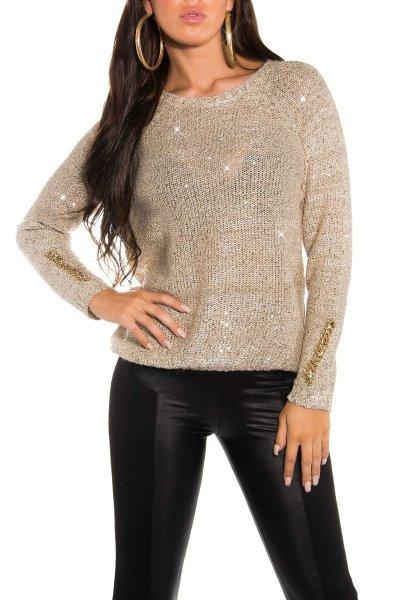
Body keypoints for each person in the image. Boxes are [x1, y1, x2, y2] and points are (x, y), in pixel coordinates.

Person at [15, 1, 358, 598]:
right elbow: (38, 230)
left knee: (325, 588)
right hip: (153, 384)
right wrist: (104, 300)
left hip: (275, 392)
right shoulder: (132, 118)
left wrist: (314, 391)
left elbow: (331, 245)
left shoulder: (295, 90)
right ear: (148, 5)